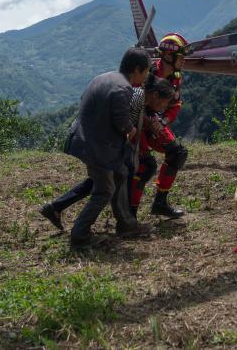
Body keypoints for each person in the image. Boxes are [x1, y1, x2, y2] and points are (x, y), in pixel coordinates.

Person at [40, 74, 175, 236]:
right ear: (155, 95)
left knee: (104, 180)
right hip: (106, 145)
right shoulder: (138, 97)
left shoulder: (141, 99)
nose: (165, 106)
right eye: (166, 102)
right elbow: (124, 124)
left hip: (105, 144)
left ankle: (57, 207)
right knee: (113, 180)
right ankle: (113, 225)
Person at [45, 47, 151, 249]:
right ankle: (80, 235)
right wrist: (130, 130)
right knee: (104, 190)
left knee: (120, 172)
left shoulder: (104, 77)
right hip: (95, 147)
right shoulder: (124, 88)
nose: (145, 77)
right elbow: (121, 120)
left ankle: (127, 224)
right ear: (137, 69)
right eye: (145, 71)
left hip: (82, 139)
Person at [130, 33, 191, 219]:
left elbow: (175, 104)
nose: (184, 61)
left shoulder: (175, 77)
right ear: (168, 56)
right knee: (145, 164)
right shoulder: (147, 74)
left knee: (177, 153)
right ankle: (130, 212)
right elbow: (135, 105)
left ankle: (160, 203)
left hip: (157, 123)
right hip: (137, 123)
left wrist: (162, 122)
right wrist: (151, 121)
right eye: (181, 57)